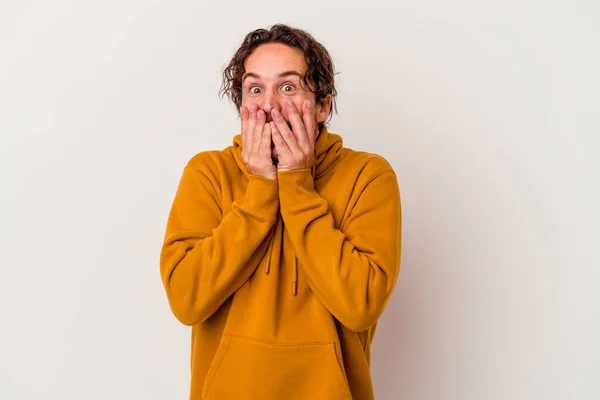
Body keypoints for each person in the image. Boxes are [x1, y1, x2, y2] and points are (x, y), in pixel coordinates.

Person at [160, 24, 402, 400]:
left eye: (288, 87)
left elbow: (360, 306)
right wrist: (261, 189)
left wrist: (296, 183)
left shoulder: (368, 176)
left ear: (323, 105)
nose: (269, 104)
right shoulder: (208, 173)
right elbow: (187, 300)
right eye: (255, 88)